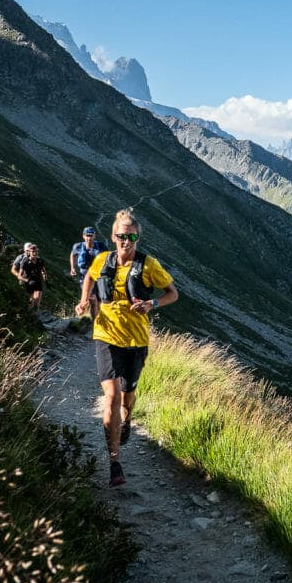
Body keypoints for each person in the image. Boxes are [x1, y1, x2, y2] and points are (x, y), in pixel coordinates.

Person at [75, 209, 178, 487]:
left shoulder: (149, 265)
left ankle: (128, 418)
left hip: (136, 340)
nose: (126, 241)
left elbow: (173, 293)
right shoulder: (101, 260)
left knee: (128, 396)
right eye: (121, 236)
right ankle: (115, 462)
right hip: (106, 335)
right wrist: (85, 300)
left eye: (131, 236)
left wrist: (151, 304)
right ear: (113, 236)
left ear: (138, 237)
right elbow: (89, 278)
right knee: (112, 397)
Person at [70, 226, 106, 317]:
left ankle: (98, 319)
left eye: (91, 235)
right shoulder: (78, 246)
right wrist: (72, 268)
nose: (89, 238)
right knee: (91, 299)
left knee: (99, 300)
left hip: (99, 277)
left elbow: (109, 257)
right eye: (87, 235)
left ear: (94, 236)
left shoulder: (101, 246)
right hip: (85, 277)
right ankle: (93, 321)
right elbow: (72, 255)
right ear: (83, 236)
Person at [11, 242, 48, 310]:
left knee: (37, 293)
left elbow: (42, 269)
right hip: (24, 279)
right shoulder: (20, 258)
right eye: (29, 250)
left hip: (33, 278)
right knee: (28, 297)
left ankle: (36, 308)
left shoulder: (37, 259)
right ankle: (28, 310)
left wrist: (44, 276)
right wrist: (20, 277)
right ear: (25, 250)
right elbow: (13, 270)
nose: (33, 252)